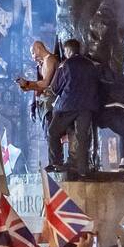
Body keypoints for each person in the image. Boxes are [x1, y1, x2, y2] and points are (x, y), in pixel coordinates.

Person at [45, 38, 103, 176]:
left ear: (68, 50)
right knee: (82, 137)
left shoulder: (65, 64)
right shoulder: (91, 65)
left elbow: (56, 87)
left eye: (65, 51)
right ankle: (82, 169)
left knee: (52, 132)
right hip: (87, 107)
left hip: (67, 106)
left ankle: (56, 162)